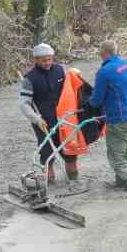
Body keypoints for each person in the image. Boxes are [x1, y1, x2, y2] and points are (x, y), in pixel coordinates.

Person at [18, 43, 82, 184]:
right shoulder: (30, 79)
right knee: (46, 151)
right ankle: (50, 180)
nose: (47, 63)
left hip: (63, 118)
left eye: (49, 59)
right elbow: (24, 104)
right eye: (43, 60)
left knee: (70, 149)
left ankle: (73, 177)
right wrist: (36, 119)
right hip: (42, 121)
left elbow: (71, 88)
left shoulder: (60, 70)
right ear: (36, 60)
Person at [87, 40, 127, 191]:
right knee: (124, 151)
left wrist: (87, 103)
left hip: (118, 118)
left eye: (100, 53)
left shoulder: (104, 72)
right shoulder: (126, 65)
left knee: (116, 155)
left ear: (104, 53)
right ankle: (121, 181)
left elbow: (96, 101)